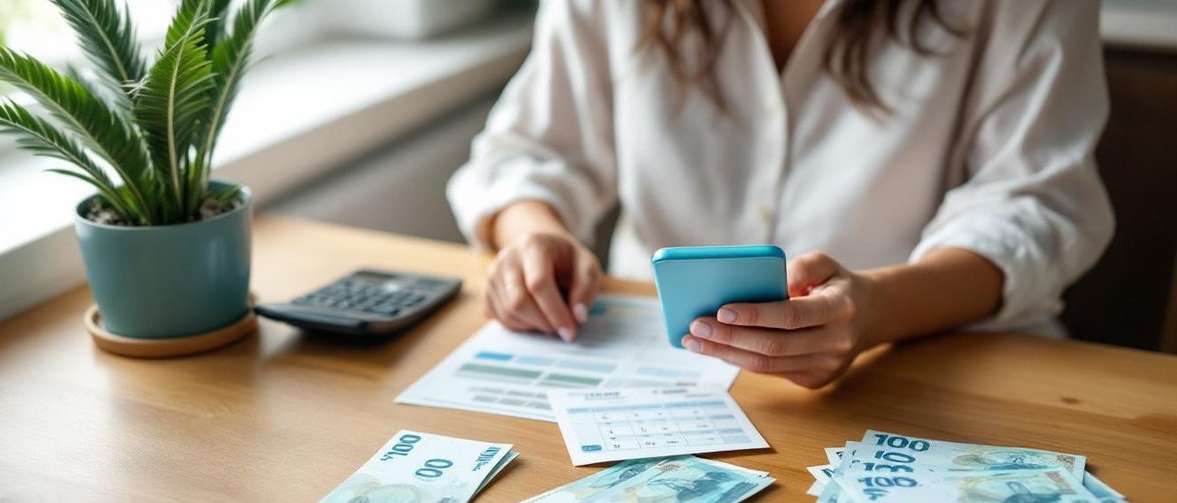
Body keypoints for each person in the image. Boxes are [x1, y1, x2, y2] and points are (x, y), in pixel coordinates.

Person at [447, 0, 1113, 389]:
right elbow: (531, 151)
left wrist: (876, 309)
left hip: (932, 371)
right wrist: (535, 234)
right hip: (650, 375)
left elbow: (1033, 204)